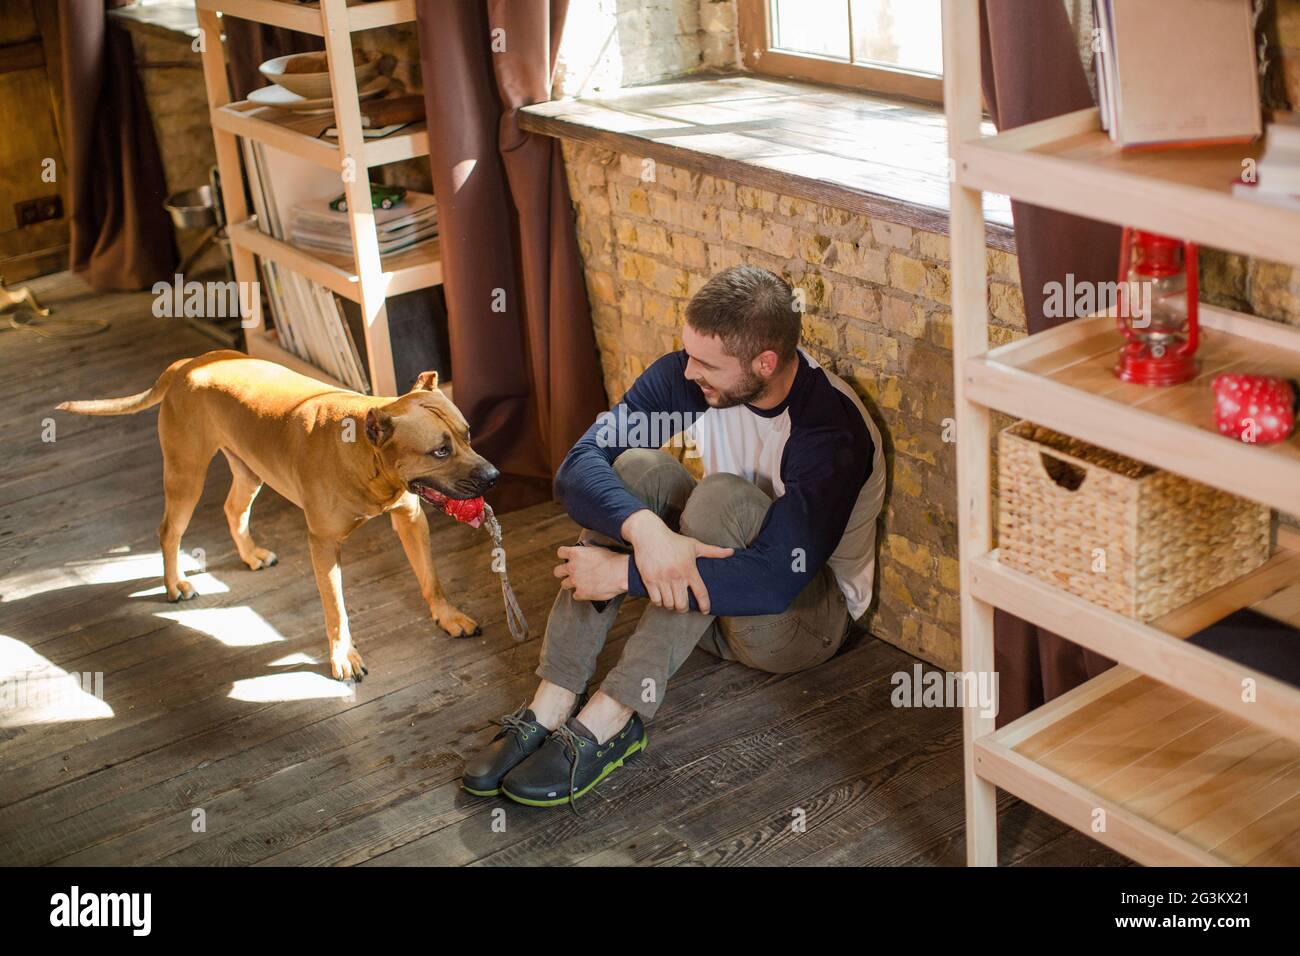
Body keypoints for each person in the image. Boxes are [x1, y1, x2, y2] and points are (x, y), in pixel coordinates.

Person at [463, 265, 886, 809]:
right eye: (689, 353)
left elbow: (776, 581)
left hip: (797, 624)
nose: (689, 371)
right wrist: (645, 530)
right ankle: (554, 697)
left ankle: (615, 716)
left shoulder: (830, 430)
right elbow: (579, 465)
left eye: (707, 363)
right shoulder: (699, 380)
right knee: (635, 468)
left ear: (765, 363)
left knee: (719, 497)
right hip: (712, 602)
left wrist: (623, 574)